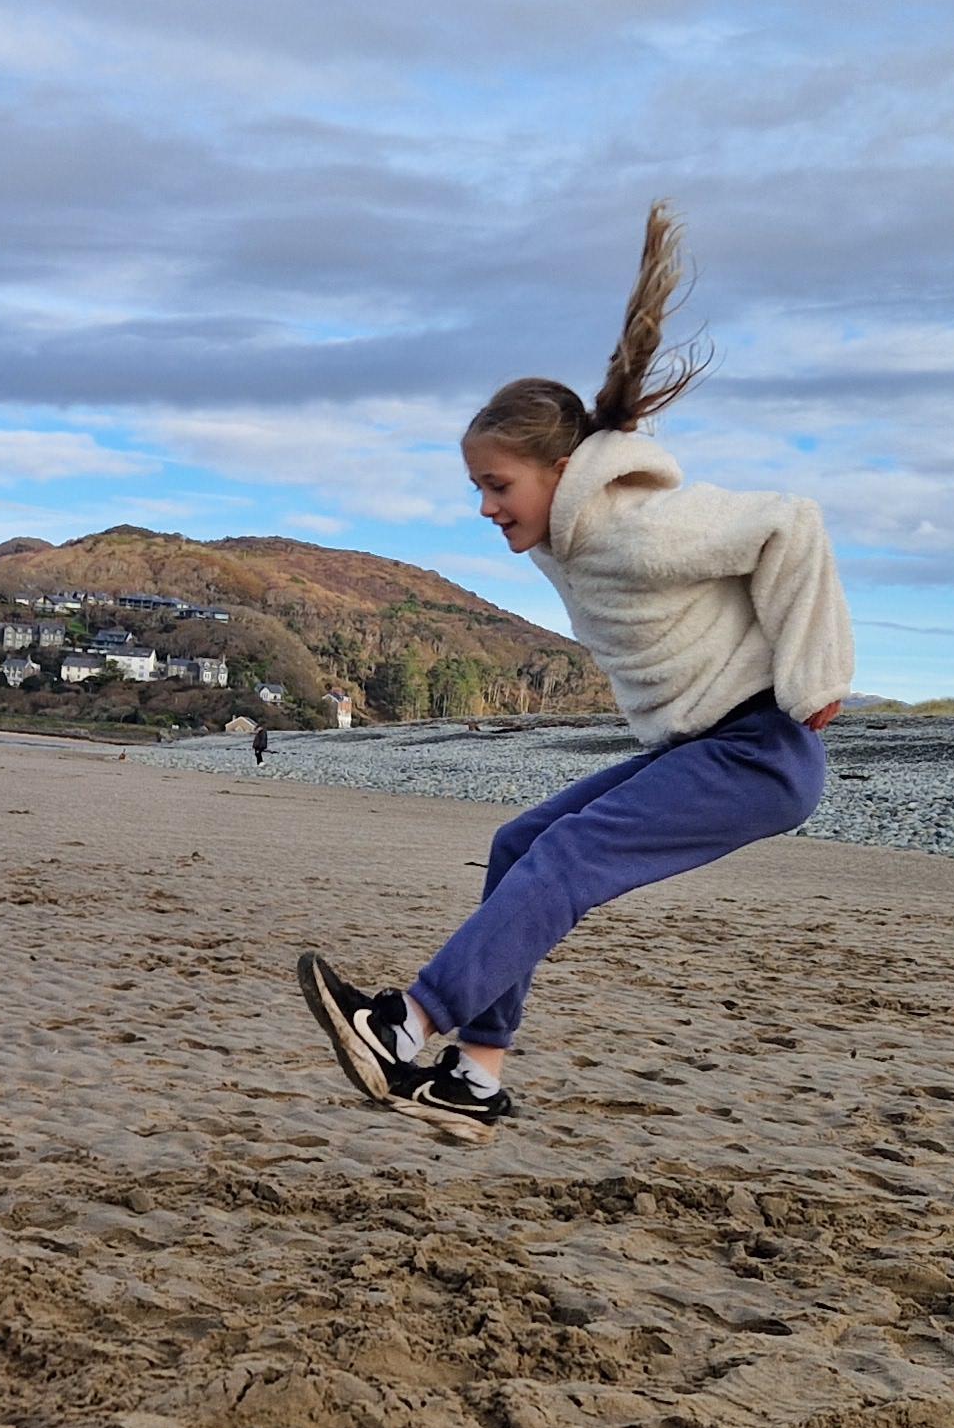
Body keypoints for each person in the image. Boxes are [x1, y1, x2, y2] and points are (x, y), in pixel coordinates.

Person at [294, 205, 852, 1136]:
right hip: (704, 747)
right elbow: (605, 435)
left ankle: (405, 1026)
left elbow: (792, 524)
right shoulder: (569, 527)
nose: (485, 507)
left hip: (761, 750)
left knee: (567, 859)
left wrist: (816, 677)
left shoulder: (638, 529)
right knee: (522, 843)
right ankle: (474, 1080)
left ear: (560, 471)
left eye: (498, 485)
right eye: (476, 486)